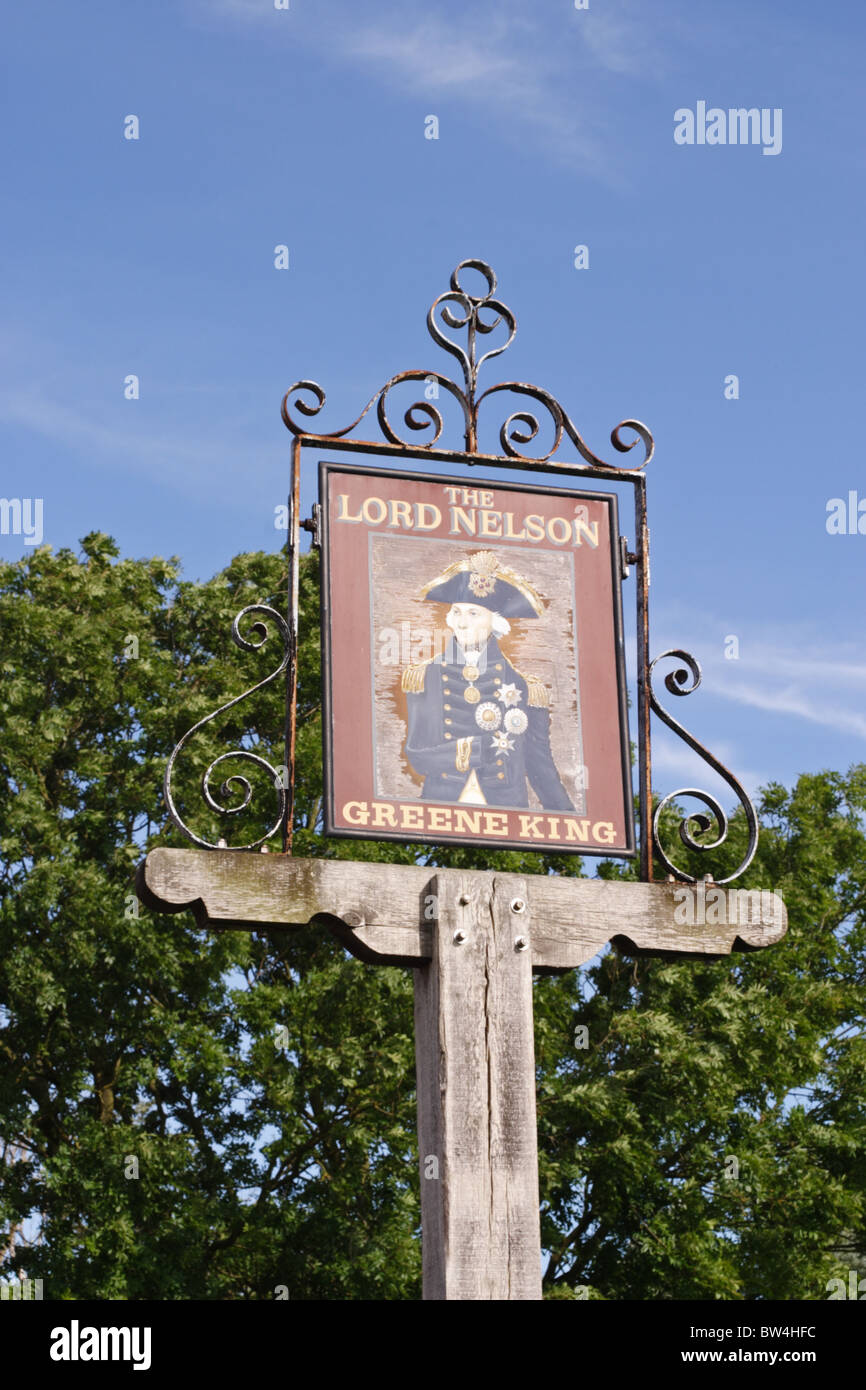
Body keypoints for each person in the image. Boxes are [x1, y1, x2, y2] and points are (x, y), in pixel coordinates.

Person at [401, 550, 574, 811]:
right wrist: (469, 752)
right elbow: (416, 754)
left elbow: (540, 764)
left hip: (507, 813)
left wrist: (568, 819)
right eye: (457, 612)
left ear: (495, 623)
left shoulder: (526, 688)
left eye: (473, 614)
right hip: (441, 809)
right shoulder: (425, 677)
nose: (462, 623)